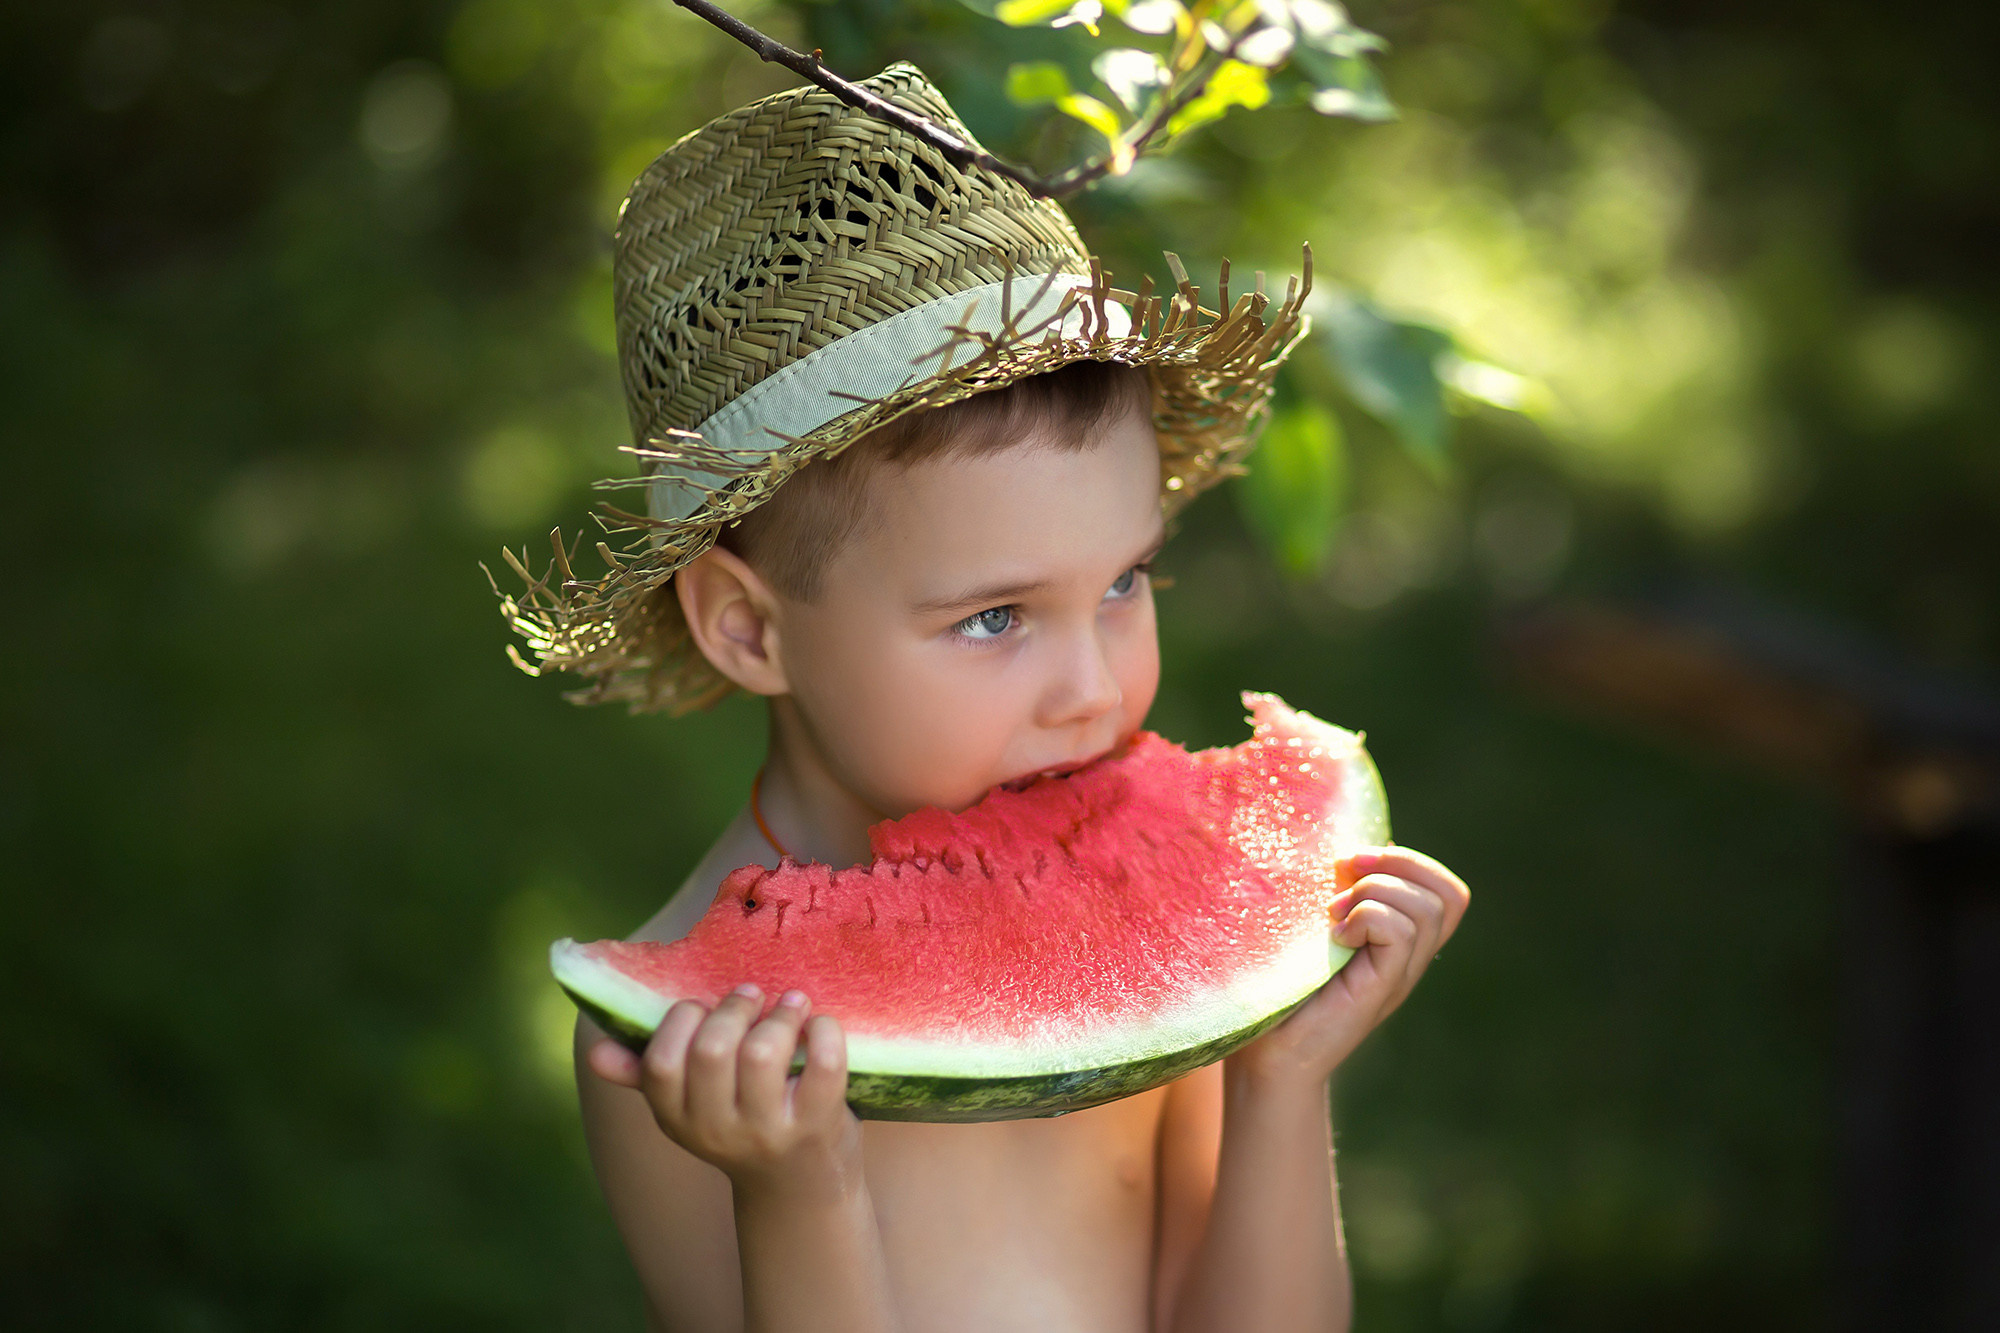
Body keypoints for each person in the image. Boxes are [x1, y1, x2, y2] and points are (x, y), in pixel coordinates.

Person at [494, 64, 1470, 1333]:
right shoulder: (669, 1051)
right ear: (746, 627)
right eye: (994, 619)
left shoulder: (1139, 930)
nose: (1091, 688)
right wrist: (798, 1189)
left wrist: (1279, 1073)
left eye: (1125, 581)